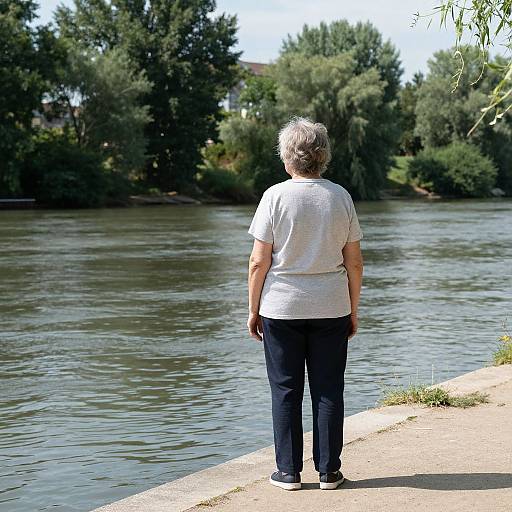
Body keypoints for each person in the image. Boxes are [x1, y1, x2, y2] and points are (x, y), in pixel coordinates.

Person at [246, 116, 364, 491]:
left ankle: (288, 472)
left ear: (287, 159)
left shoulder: (274, 196)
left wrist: (252, 310)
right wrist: (353, 308)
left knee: (285, 389)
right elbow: (355, 261)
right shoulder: (340, 196)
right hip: (331, 306)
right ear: (323, 157)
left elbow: (257, 261)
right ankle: (329, 472)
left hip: (281, 308)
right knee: (329, 388)